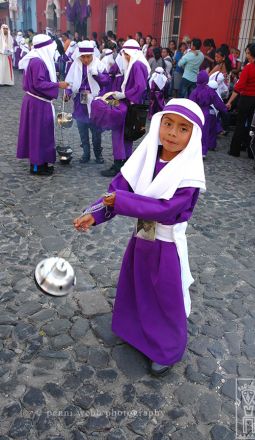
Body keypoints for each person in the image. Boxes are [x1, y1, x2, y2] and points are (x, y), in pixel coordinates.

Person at [73, 98, 206, 376]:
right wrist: (94, 213)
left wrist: (120, 202)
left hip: (166, 245)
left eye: (182, 129)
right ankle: (134, 331)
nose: (172, 132)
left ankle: (166, 349)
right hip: (142, 238)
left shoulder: (188, 176)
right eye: (167, 124)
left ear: (193, 136)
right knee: (137, 286)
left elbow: (166, 209)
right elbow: (118, 189)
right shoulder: (146, 158)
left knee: (165, 297)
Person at [91, 39, 150, 177]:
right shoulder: (134, 64)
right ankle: (125, 163)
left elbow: (140, 87)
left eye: (127, 54)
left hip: (129, 104)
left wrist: (123, 95)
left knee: (119, 134)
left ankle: (118, 164)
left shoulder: (136, 65)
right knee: (125, 135)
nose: (125, 57)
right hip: (129, 103)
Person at [16, 34, 68, 175]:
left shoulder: (39, 59)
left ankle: (43, 162)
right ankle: (36, 166)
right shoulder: (37, 62)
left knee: (43, 134)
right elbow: (39, 83)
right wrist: (58, 85)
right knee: (37, 134)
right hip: (37, 103)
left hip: (39, 102)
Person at [65, 40, 109, 164]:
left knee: (96, 130)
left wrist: (97, 75)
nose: (85, 59)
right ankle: (86, 153)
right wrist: (68, 94)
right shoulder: (75, 65)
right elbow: (70, 81)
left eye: (88, 57)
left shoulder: (99, 64)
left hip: (94, 101)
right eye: (83, 57)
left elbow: (106, 82)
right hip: (80, 100)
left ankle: (98, 153)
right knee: (82, 128)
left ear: (92, 55)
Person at [226, 43, 255, 157]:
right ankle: (251, 151)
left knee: (240, 125)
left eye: (247, 53)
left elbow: (238, 88)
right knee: (253, 125)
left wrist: (229, 101)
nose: (246, 55)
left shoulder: (249, 68)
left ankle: (235, 150)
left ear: (252, 54)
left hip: (246, 99)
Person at [189, 70, 228, 157]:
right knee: (205, 132)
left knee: (195, 131)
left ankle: (193, 149)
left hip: (196, 111)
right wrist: (224, 109)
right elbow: (218, 102)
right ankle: (203, 151)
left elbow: (190, 103)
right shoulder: (210, 90)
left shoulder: (194, 91)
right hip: (206, 112)